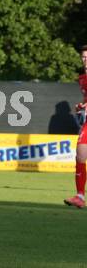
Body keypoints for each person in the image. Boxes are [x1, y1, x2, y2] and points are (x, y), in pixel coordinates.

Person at [65, 45, 87, 208]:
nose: (85, 60)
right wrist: (82, 105)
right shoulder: (82, 78)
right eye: (83, 57)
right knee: (80, 154)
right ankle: (80, 196)